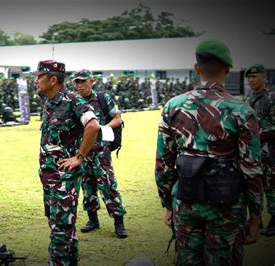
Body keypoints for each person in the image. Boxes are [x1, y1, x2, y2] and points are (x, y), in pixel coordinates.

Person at [155, 39, 264, 265]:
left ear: (197, 68)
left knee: (186, 260)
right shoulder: (242, 111)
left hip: (185, 200)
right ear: (228, 69)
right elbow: (252, 169)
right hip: (227, 204)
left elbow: (163, 164)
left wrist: (168, 204)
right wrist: (255, 215)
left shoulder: (173, 106)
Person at [33, 60, 100, 265]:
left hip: (64, 177)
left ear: (53, 80)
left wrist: (79, 157)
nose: (36, 81)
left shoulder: (73, 101)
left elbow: (93, 126)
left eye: (40, 77)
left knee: (61, 228)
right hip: (49, 175)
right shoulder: (48, 102)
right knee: (57, 224)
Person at [72, 69, 128, 238]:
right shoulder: (75, 101)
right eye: (77, 82)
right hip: (82, 152)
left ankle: (119, 222)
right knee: (87, 187)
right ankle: (93, 220)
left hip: (100, 152)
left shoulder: (103, 98)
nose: (80, 85)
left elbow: (118, 119)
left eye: (83, 81)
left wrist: (103, 128)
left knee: (108, 186)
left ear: (92, 81)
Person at [245, 64, 275, 236]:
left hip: (269, 152)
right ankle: (256, 219)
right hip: (252, 153)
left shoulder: (271, 98)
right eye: (249, 77)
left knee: (271, 186)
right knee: (252, 185)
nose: (251, 79)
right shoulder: (248, 99)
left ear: (264, 77)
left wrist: (258, 133)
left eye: (255, 76)